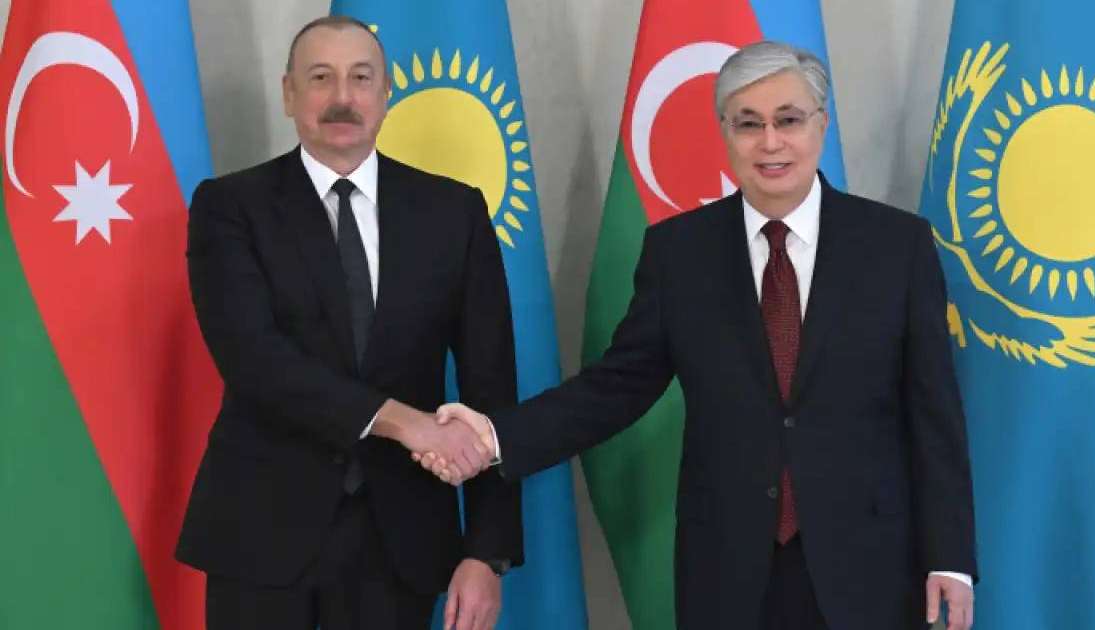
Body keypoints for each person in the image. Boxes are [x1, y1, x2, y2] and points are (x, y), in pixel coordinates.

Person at [425, 41, 978, 630]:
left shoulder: (899, 247)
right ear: (724, 132)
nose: (770, 142)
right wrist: (492, 436)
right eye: (748, 124)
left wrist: (950, 559)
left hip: (868, 565)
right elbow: (616, 388)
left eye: (788, 120)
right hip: (728, 568)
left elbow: (934, 415)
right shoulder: (679, 253)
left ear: (821, 124)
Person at [175, 16, 518, 630]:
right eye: (320, 78)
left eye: (361, 78)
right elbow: (254, 360)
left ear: (386, 93)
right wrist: (405, 422)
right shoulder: (229, 207)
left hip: (403, 547)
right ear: (288, 94)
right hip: (260, 537)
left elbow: (491, 388)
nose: (342, 98)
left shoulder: (455, 212)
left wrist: (486, 554)